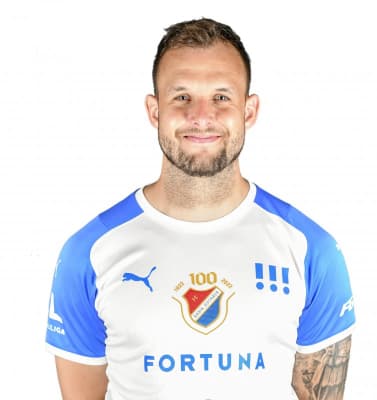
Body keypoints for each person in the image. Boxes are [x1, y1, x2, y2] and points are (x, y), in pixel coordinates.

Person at [45, 17, 355, 400]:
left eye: (221, 97)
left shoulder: (311, 250)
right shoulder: (89, 253)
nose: (202, 116)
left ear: (249, 110)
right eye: (182, 97)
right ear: (155, 111)